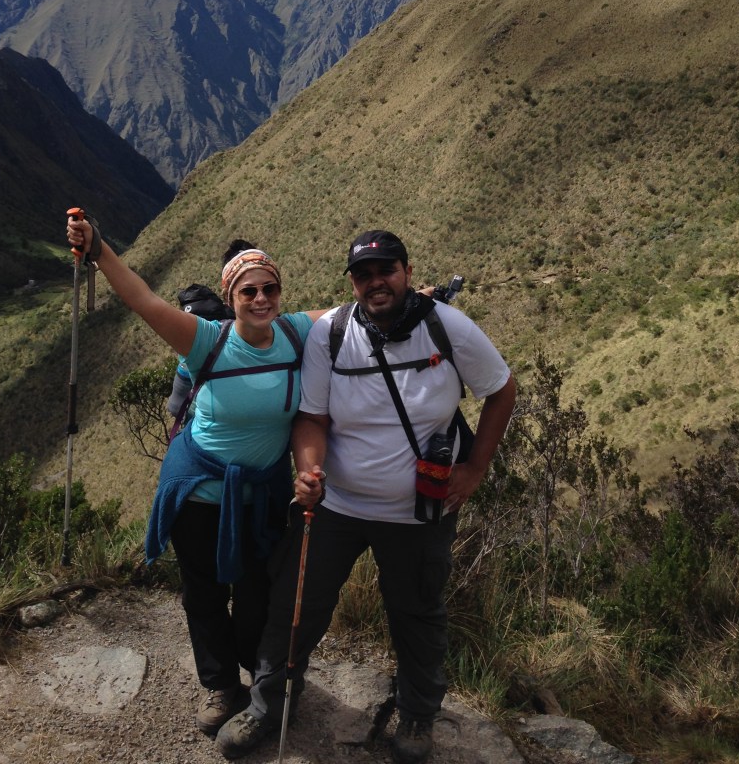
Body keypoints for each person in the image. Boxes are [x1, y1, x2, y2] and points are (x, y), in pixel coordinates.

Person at [215, 230, 516, 764]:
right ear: (353, 283)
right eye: (364, 275)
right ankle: (268, 705)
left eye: (386, 270)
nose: (376, 282)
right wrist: (309, 472)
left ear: (406, 272)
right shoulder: (331, 334)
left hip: (418, 511)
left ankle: (417, 715)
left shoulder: (447, 328)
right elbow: (312, 417)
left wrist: (476, 468)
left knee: (416, 613)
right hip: (336, 505)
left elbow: (501, 389)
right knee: (295, 606)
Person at [65, 214, 325, 736]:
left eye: (269, 288)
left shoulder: (296, 331)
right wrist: (98, 249)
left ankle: (258, 675)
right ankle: (221, 684)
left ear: (280, 292)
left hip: (262, 492)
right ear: (231, 297)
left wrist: (420, 298)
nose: (261, 298)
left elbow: (353, 313)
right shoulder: (206, 340)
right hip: (200, 490)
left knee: (256, 594)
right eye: (248, 290)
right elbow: (144, 300)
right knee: (203, 593)